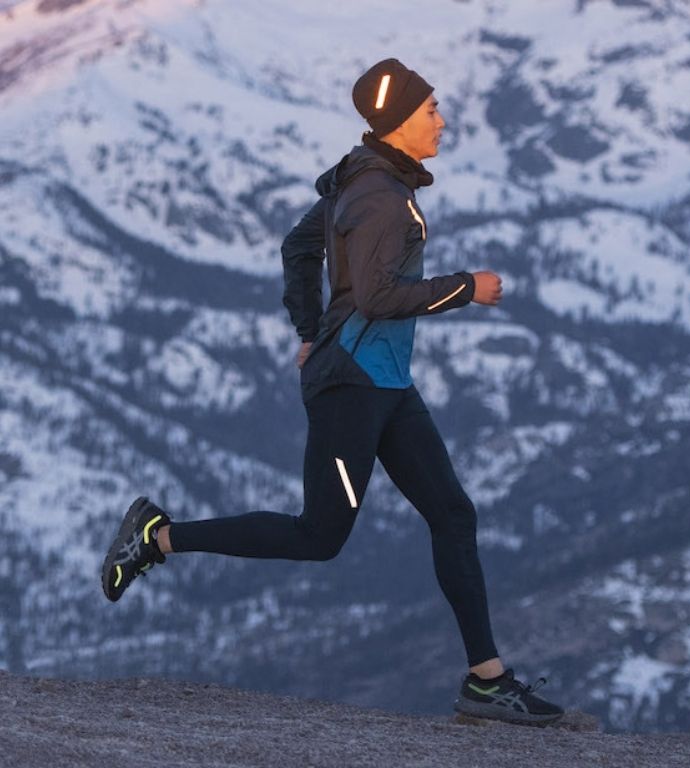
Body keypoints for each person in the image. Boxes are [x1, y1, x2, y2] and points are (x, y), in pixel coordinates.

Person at [101, 58, 564, 726]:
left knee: (453, 515)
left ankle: (486, 681)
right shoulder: (382, 196)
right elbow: (377, 296)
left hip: (384, 383)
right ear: (398, 122)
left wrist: (310, 326)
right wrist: (469, 287)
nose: (443, 121)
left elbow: (299, 247)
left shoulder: (363, 177)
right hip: (352, 388)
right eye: (431, 111)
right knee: (319, 535)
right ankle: (157, 537)